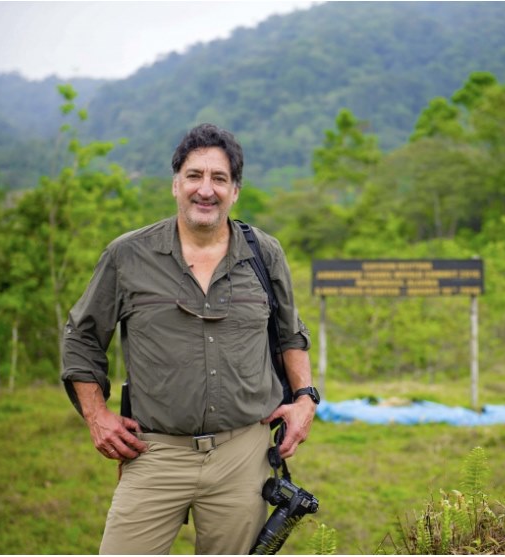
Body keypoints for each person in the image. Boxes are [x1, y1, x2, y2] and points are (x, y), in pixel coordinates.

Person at [61, 123, 318, 554]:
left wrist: (305, 399)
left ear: (235, 191)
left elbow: (290, 334)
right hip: (154, 452)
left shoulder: (264, 253)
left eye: (219, 178)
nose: (206, 189)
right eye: (195, 176)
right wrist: (96, 416)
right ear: (176, 184)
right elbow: (82, 338)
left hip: (245, 453)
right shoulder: (128, 255)